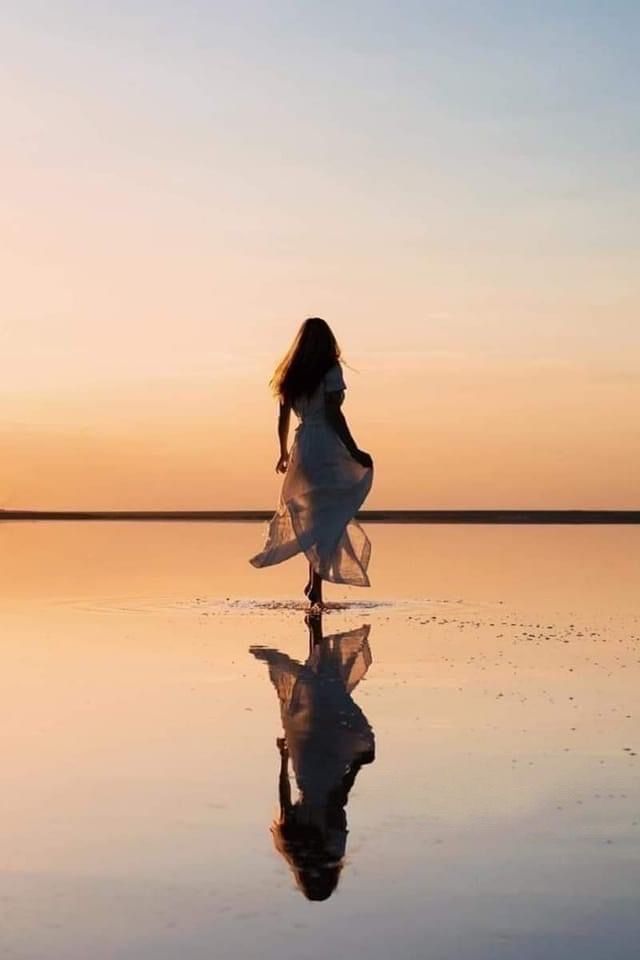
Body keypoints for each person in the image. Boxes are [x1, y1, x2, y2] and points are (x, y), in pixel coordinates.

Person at [249, 317, 373, 608]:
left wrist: (282, 452)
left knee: (316, 516)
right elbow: (333, 415)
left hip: (303, 446)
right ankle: (315, 586)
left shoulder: (292, 372)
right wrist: (353, 449)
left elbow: (282, 418)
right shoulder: (329, 369)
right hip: (326, 444)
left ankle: (314, 584)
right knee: (327, 515)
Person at [250, 616, 376, 901]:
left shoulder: (330, 845)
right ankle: (315, 634)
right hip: (304, 766)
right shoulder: (291, 843)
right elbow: (284, 797)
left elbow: (338, 799)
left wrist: (357, 762)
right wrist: (283, 758)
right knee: (312, 702)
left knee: (326, 700)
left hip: (327, 770)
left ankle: (318, 636)